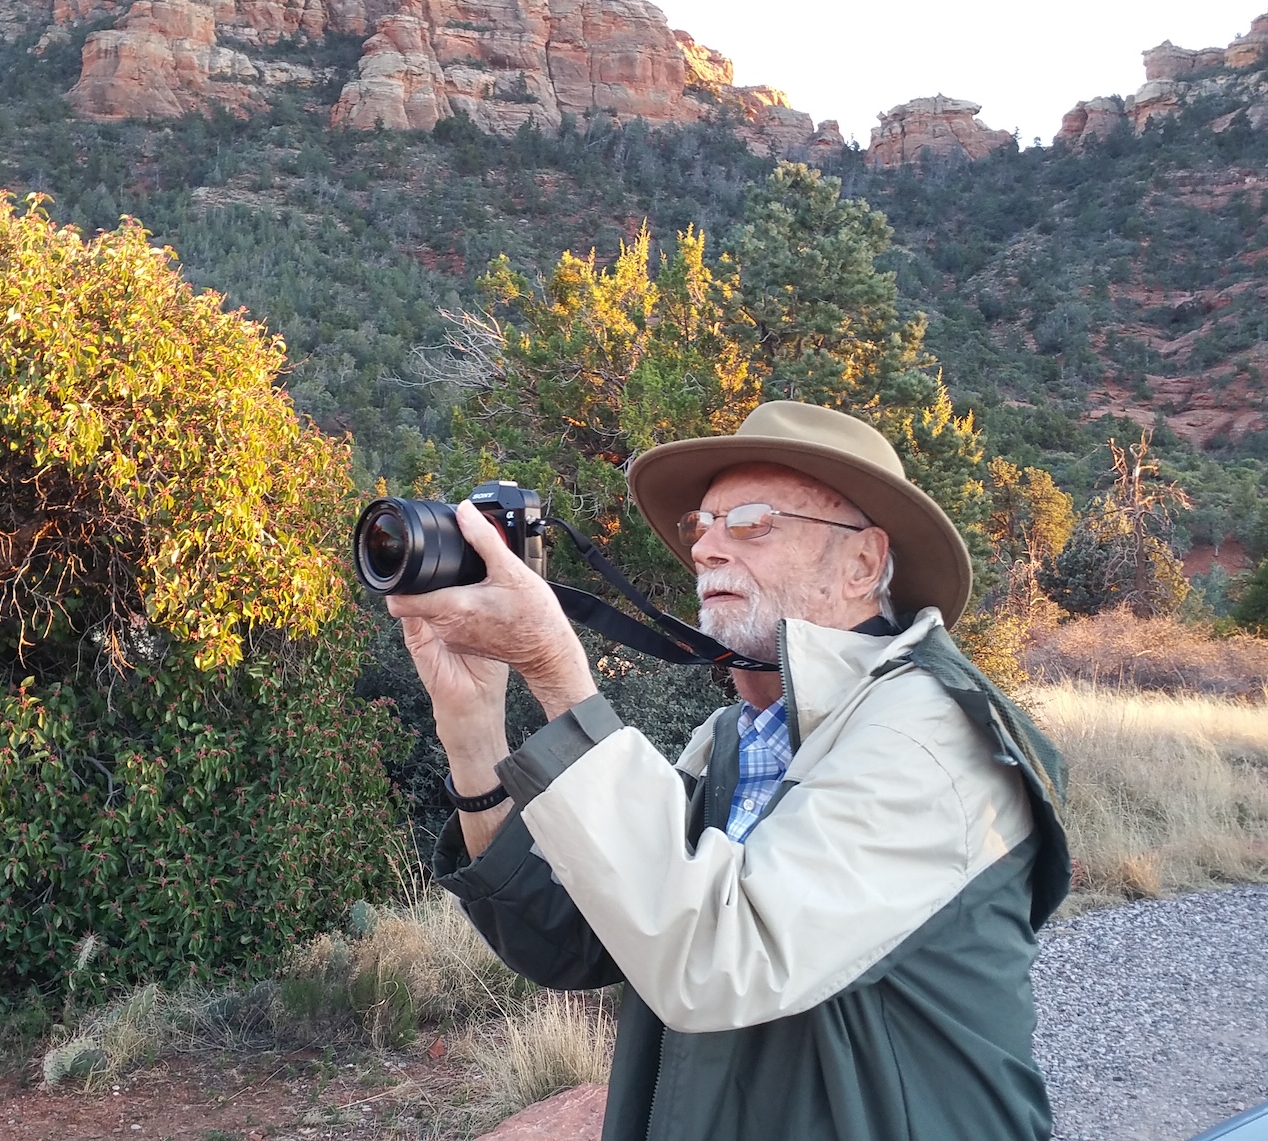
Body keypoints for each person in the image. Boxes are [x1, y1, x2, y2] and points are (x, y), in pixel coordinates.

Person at [388, 400, 1070, 1141]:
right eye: (701, 527)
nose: (707, 548)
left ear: (862, 564)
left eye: (751, 522)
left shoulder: (930, 735)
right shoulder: (734, 737)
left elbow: (720, 956)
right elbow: (568, 937)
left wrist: (558, 673)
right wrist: (472, 721)